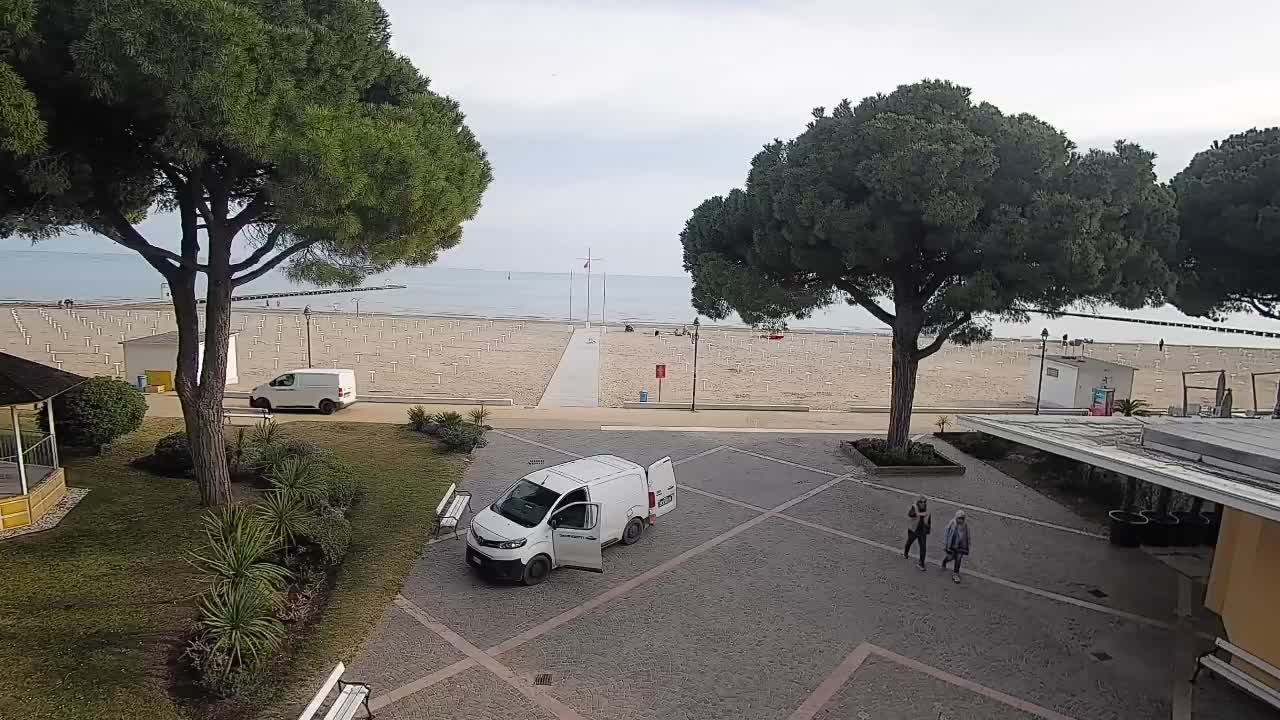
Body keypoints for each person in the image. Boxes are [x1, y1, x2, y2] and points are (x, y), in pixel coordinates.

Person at [940, 510, 971, 583]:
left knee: (958, 559)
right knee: (951, 557)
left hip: (961, 546)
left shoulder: (965, 525)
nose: (961, 520)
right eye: (959, 518)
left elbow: (967, 535)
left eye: (962, 518)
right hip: (952, 545)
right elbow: (946, 533)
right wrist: (945, 543)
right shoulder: (952, 523)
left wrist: (968, 543)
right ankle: (944, 562)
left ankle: (955, 574)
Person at [903, 496, 931, 570]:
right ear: (918, 502)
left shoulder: (927, 510)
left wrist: (927, 530)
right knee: (909, 542)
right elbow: (910, 514)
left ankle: (921, 563)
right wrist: (919, 514)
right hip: (913, 530)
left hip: (922, 531)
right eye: (921, 502)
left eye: (924, 502)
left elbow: (928, 521)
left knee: (923, 548)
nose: (923, 503)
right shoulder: (914, 507)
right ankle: (906, 552)